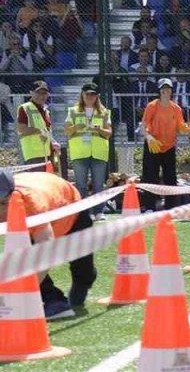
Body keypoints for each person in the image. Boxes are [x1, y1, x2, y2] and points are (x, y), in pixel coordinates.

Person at [0, 170, 96, 319]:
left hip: (72, 208)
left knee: (83, 269)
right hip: (34, 219)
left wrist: (24, 290)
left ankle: (84, 280)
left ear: (12, 195)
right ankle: (55, 301)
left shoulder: (32, 204)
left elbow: (47, 250)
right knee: (24, 258)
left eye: (3, 203)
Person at [62, 82, 111, 220]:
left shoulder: (104, 112)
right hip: (79, 152)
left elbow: (108, 133)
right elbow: (66, 130)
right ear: (82, 94)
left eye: (93, 94)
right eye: (87, 94)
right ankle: (83, 213)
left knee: (98, 184)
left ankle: (99, 211)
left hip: (99, 152)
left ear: (97, 96)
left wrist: (99, 129)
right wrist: (77, 126)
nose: (90, 97)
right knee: (81, 184)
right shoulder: (73, 111)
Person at [141, 78, 188, 213]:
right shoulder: (152, 106)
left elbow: (181, 127)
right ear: (159, 91)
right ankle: (149, 206)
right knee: (150, 176)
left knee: (170, 177)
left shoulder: (176, 108)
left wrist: (186, 128)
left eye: (168, 89)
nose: (165, 91)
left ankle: (170, 207)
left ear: (171, 91)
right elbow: (143, 127)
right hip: (153, 146)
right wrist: (149, 138)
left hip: (169, 147)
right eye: (163, 89)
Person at [17, 80, 60, 165]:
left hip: (46, 153)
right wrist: (39, 131)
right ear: (31, 93)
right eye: (38, 93)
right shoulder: (25, 108)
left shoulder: (46, 111)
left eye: (44, 93)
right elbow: (22, 129)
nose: (41, 96)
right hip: (33, 155)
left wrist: (53, 142)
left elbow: (47, 131)